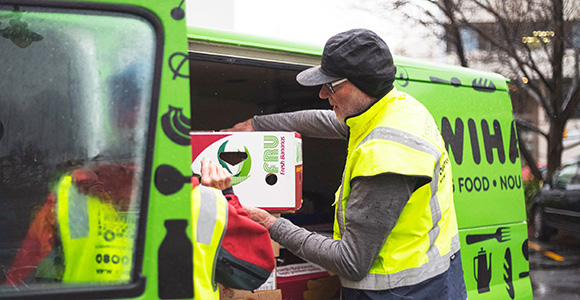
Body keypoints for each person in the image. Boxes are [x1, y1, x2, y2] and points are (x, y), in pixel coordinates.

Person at [225, 28, 467, 299]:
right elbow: (326, 121)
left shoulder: (385, 158)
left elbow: (351, 262)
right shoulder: (398, 108)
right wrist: (257, 125)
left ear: (363, 83)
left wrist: (270, 223)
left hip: (402, 293)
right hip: (436, 278)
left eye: (331, 86)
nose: (321, 94)